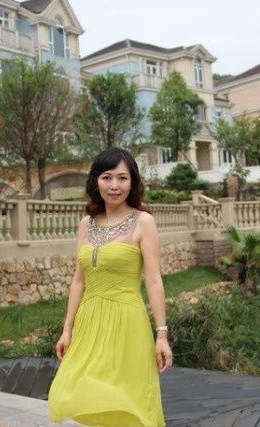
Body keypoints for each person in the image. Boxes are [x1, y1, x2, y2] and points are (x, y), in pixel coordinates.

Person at [48, 147, 171, 426]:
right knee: (76, 393)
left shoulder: (144, 222)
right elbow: (78, 280)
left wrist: (161, 334)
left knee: (127, 400)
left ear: (133, 182)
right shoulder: (86, 224)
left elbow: (154, 280)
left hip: (127, 323)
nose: (114, 185)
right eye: (107, 177)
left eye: (122, 178)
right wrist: (67, 329)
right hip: (89, 323)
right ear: (95, 182)